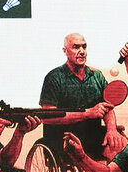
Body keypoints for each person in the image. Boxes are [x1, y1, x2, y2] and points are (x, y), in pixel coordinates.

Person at [39, 33, 122, 161]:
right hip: (63, 138)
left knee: (120, 149)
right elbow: (47, 117)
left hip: (92, 136)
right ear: (65, 51)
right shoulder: (54, 77)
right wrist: (87, 114)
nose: (82, 51)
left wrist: (111, 129)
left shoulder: (97, 76)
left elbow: (108, 107)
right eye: (76, 47)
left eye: (84, 47)